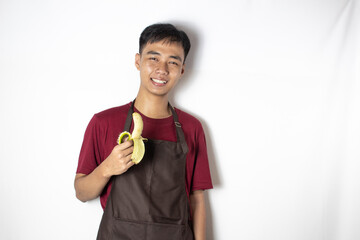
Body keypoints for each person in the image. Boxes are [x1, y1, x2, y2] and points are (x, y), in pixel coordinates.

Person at [74, 23, 213, 240]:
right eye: (153, 58)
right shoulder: (103, 122)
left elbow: (197, 199)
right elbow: (81, 193)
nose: (162, 69)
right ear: (138, 61)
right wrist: (108, 167)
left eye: (173, 62)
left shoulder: (192, 127)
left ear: (182, 70)